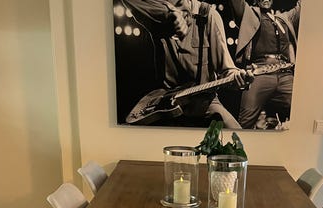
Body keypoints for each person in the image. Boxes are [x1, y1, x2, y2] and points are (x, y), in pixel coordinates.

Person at [122, 0, 251, 128]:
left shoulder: (208, 15)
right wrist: (168, 13)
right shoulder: (158, 18)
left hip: (204, 104)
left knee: (237, 135)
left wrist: (238, 77)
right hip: (165, 105)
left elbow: (227, 70)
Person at [228, 0, 301, 129]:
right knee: (244, 124)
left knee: (303, 111)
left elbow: (303, 6)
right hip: (260, 73)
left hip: (285, 75)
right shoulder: (249, 13)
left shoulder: (284, 18)